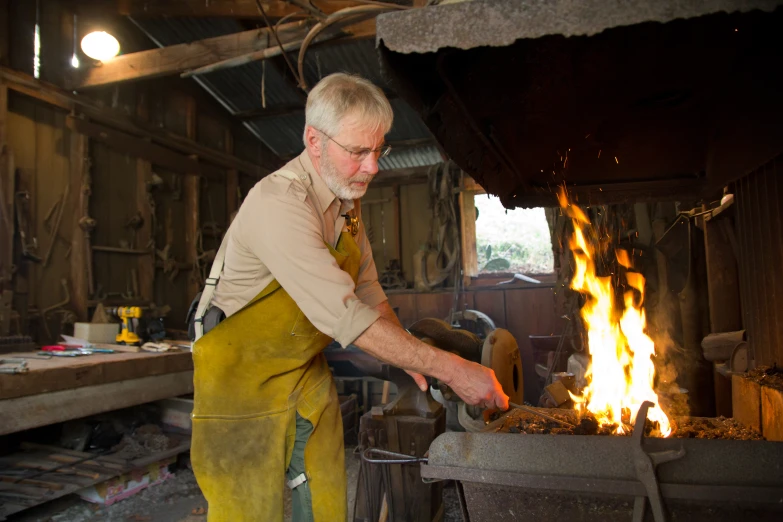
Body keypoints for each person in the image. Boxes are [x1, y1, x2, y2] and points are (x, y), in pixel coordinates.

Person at [190, 72, 509, 522]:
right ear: (314, 140)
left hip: (302, 366)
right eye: (358, 152)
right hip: (239, 377)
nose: (373, 166)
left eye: (379, 150)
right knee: (247, 506)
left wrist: (409, 359)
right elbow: (345, 317)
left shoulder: (346, 203)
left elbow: (367, 292)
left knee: (325, 493)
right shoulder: (279, 203)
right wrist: (453, 369)